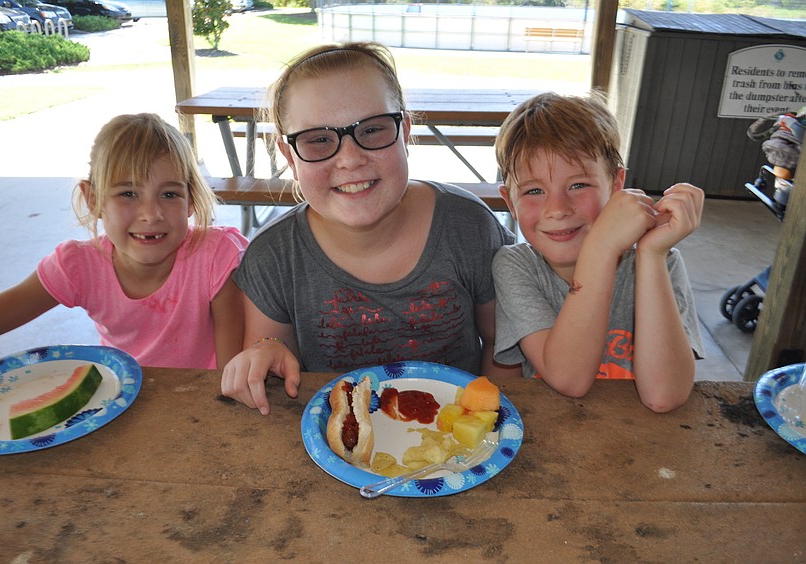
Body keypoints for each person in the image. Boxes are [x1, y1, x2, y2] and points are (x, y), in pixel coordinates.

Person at [221, 41, 516, 414]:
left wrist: (484, 423)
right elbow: (273, 356)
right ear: (289, 157)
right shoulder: (274, 257)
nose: (350, 159)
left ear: (405, 132)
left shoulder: (468, 227)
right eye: (318, 140)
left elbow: (502, 346)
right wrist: (265, 353)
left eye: (373, 130)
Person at [0, 113, 248, 370]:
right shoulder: (78, 265)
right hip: (119, 398)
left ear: (190, 201)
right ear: (93, 199)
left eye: (169, 194)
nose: (151, 215)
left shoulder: (217, 258)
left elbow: (227, 375)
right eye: (128, 194)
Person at [491, 92, 705, 413]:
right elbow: (569, 379)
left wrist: (651, 255)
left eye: (578, 185)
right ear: (510, 202)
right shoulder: (516, 266)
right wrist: (601, 248)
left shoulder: (662, 261)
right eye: (534, 190)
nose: (557, 209)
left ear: (616, 185)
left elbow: (664, 396)